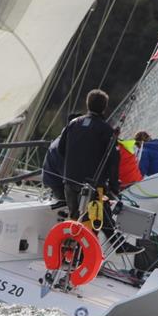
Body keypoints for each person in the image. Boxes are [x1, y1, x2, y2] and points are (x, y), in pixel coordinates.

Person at [60, 89, 118, 220]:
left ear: (87, 104)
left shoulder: (73, 124)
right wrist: (114, 187)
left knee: (74, 218)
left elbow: (61, 149)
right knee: (93, 221)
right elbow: (113, 160)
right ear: (104, 108)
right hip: (93, 185)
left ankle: (70, 239)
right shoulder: (106, 130)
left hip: (70, 180)